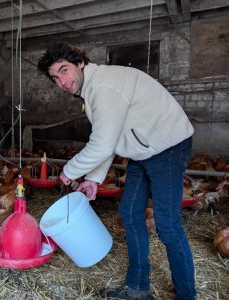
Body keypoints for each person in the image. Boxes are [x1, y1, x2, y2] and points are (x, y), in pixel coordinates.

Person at [37, 41, 196, 300]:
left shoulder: (103, 86)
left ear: (80, 63)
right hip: (143, 149)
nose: (62, 81)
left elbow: (101, 144)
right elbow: (109, 138)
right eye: (55, 77)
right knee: (130, 214)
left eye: (64, 70)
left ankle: (187, 295)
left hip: (167, 145)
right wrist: (93, 178)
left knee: (167, 227)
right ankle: (137, 289)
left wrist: (70, 170)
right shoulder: (91, 90)